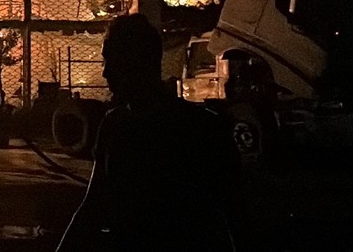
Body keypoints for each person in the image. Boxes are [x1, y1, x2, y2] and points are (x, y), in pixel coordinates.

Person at [58, 13, 242, 251]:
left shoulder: (122, 127)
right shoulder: (119, 125)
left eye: (110, 62)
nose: (105, 74)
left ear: (132, 63)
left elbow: (93, 208)